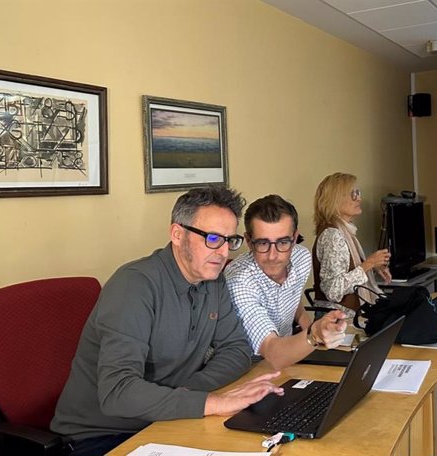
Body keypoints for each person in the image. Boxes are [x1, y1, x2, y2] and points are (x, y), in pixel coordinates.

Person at [50, 186, 283, 456]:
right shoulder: (134, 286)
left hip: (166, 420)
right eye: (212, 238)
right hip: (101, 436)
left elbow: (237, 350)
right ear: (177, 234)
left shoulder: (212, 278)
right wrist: (210, 402)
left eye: (229, 240)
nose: (222, 252)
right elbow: (118, 393)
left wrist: (190, 394)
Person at [224, 195, 348, 370]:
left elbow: (291, 294)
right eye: (262, 243)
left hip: (290, 354)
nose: (273, 255)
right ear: (249, 242)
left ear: (295, 237)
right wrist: (314, 335)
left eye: (283, 242)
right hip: (251, 366)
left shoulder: (301, 258)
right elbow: (272, 352)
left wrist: (307, 322)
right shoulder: (239, 280)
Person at [312, 172, 391, 317]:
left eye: (358, 193)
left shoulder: (344, 231)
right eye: (353, 194)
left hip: (346, 318)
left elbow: (344, 271)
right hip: (337, 322)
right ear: (335, 200)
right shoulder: (333, 236)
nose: (359, 198)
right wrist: (368, 263)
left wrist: (373, 266)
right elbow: (333, 290)